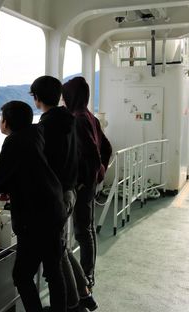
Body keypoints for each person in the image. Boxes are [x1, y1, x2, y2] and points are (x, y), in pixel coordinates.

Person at [0, 100, 67, 312]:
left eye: (1, 119)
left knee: (22, 275)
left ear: (6, 122)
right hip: (53, 208)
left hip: (35, 218)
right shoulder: (36, 134)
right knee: (53, 270)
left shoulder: (14, 141)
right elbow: (28, 168)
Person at [30, 76, 97, 312]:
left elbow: (43, 164)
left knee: (57, 253)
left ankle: (72, 303)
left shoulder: (45, 127)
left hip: (54, 195)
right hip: (70, 190)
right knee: (63, 247)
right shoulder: (69, 120)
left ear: (36, 98)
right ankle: (84, 293)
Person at [62, 77, 112, 290]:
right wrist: (100, 172)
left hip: (83, 185)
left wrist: (86, 180)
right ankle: (87, 275)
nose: (63, 100)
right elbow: (106, 148)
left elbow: (91, 152)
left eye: (65, 96)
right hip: (89, 184)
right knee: (87, 229)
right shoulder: (90, 117)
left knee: (83, 231)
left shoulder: (78, 119)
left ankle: (85, 278)